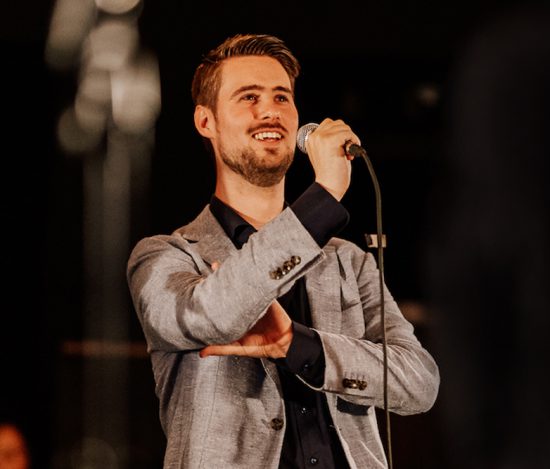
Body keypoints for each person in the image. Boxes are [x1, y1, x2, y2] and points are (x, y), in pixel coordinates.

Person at [127, 34, 439, 468]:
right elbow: (210, 316)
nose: (269, 110)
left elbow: (419, 383)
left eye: (281, 96)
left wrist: (299, 344)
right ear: (206, 121)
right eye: (248, 97)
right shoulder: (166, 256)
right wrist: (323, 197)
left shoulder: (349, 262)